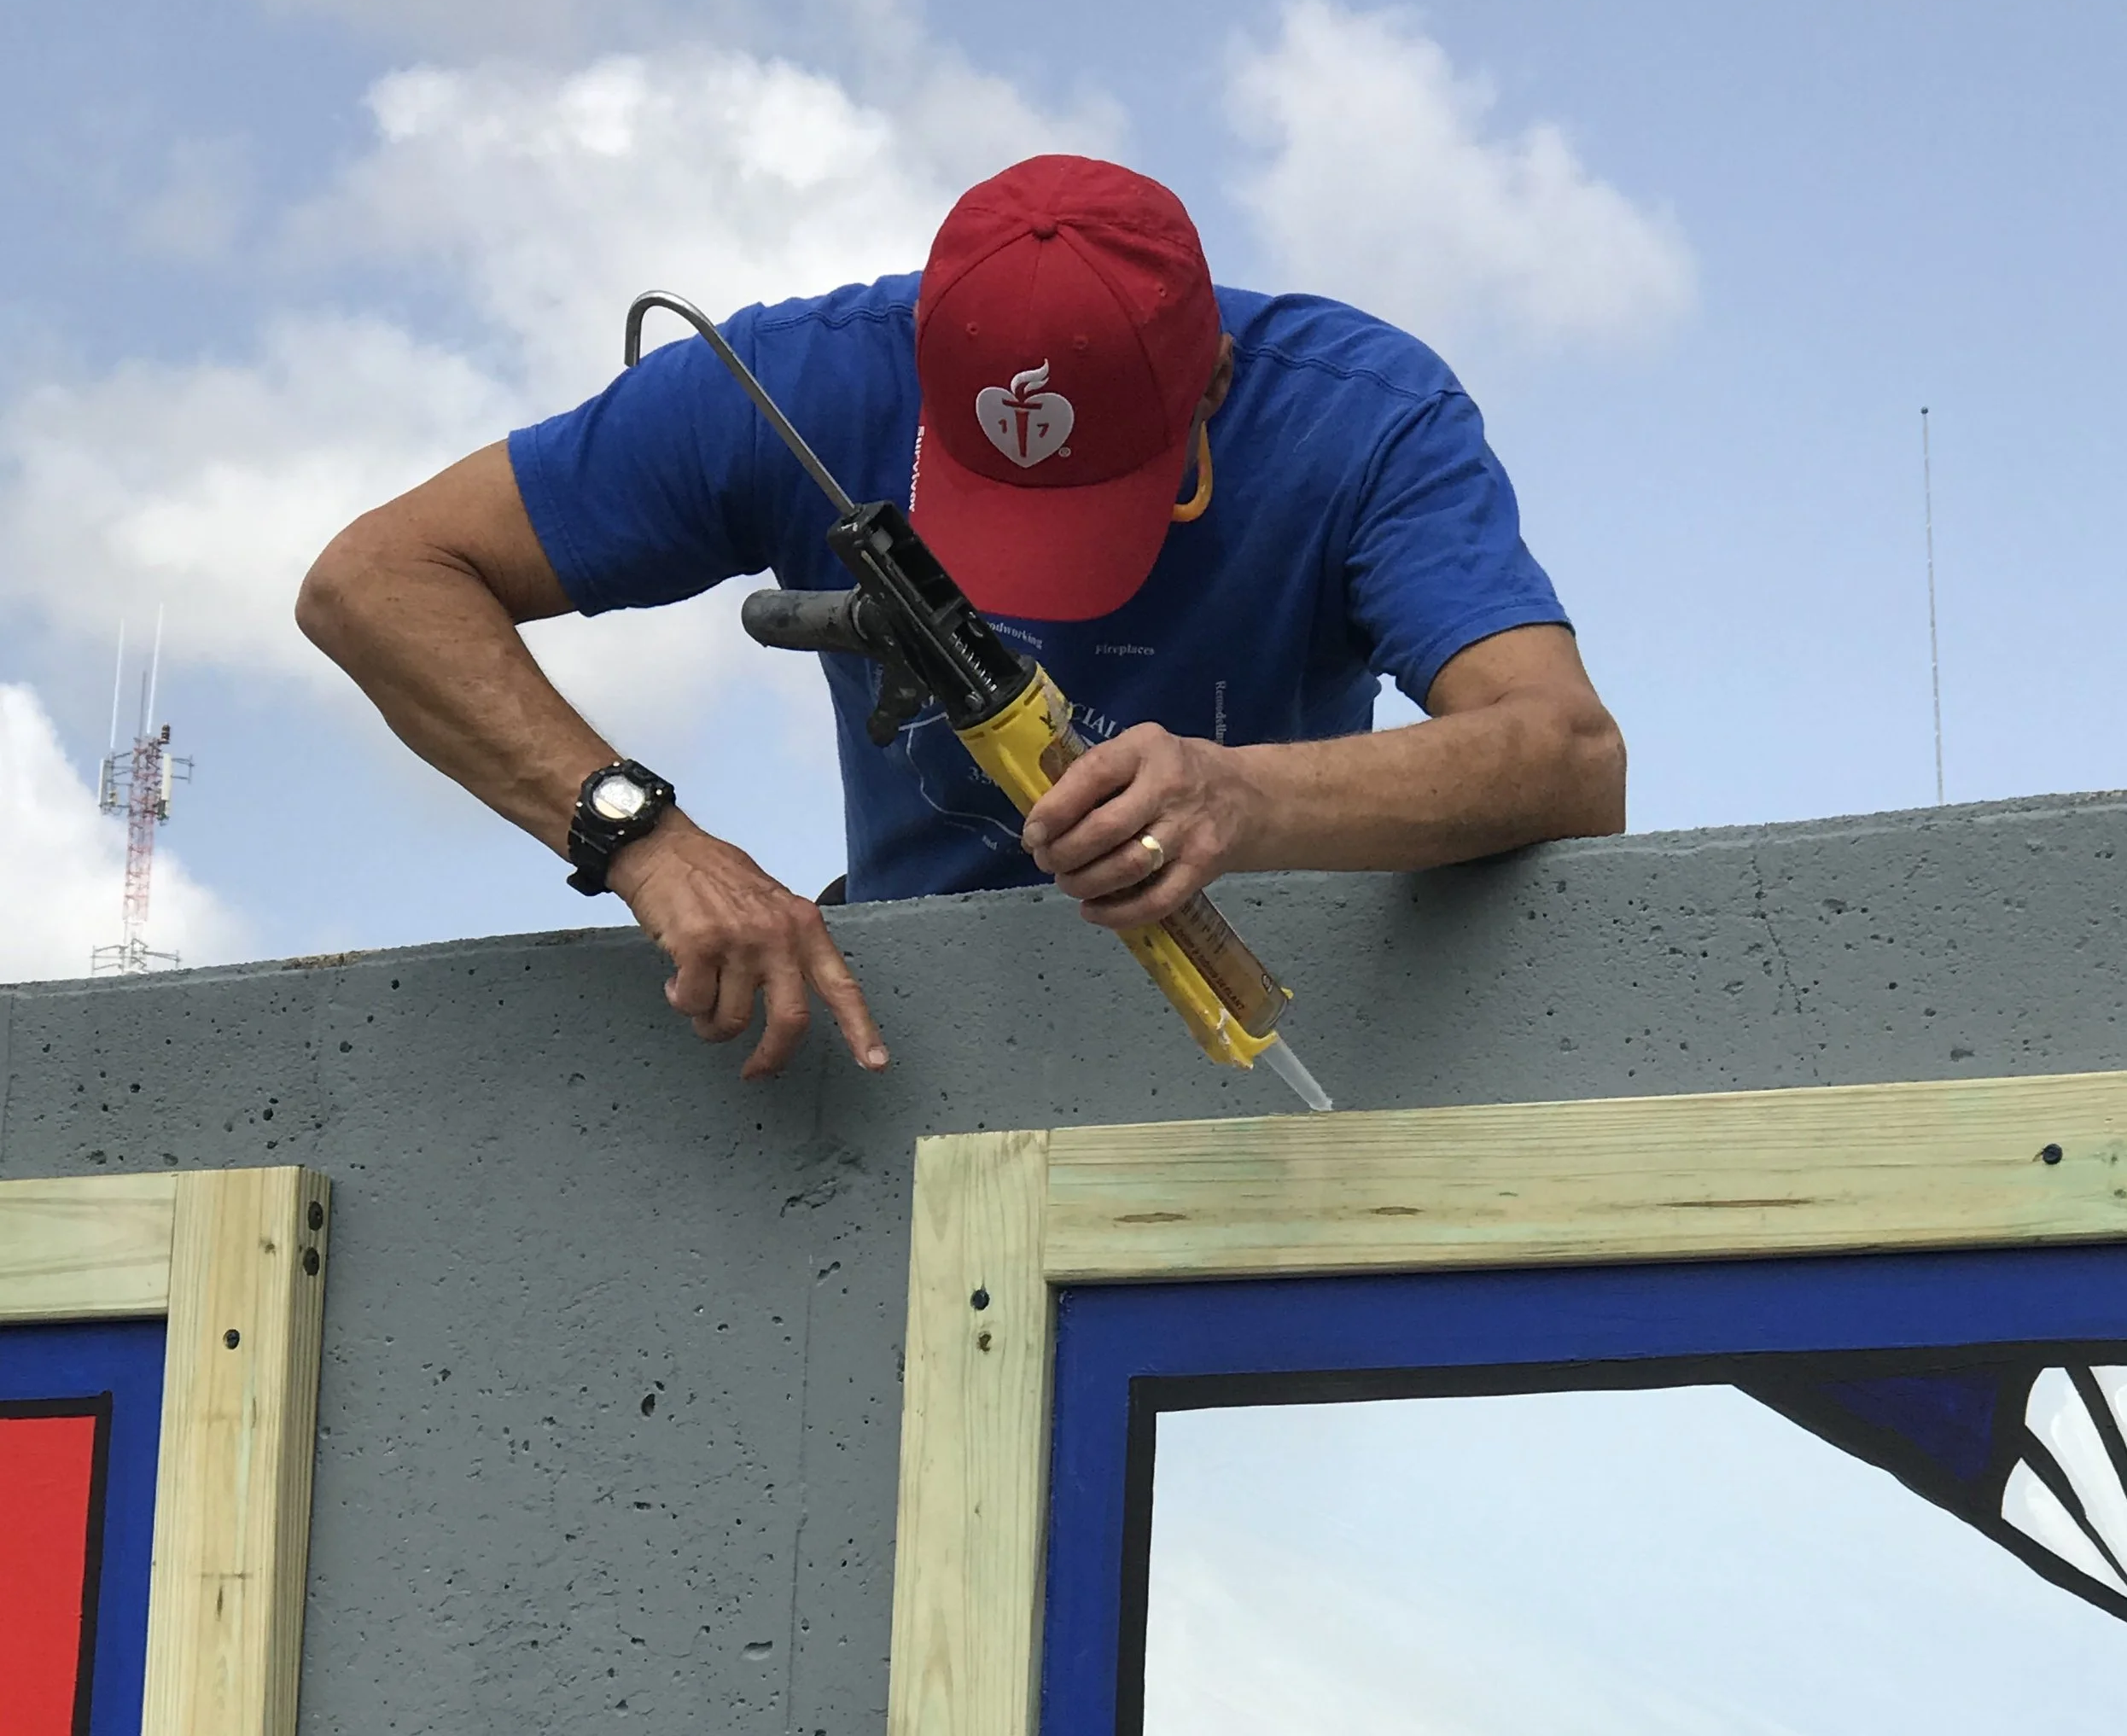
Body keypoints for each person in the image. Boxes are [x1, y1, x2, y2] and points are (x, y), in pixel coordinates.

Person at [297, 154, 1624, 1080]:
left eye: (1095, 492)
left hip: (1253, 1012)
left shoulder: (1362, 415)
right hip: (917, 1021)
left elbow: (1568, 756)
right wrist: (643, 838)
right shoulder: (795, 382)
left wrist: (1242, 802)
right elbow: (376, 582)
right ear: (926, 360)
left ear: (1214, 379)